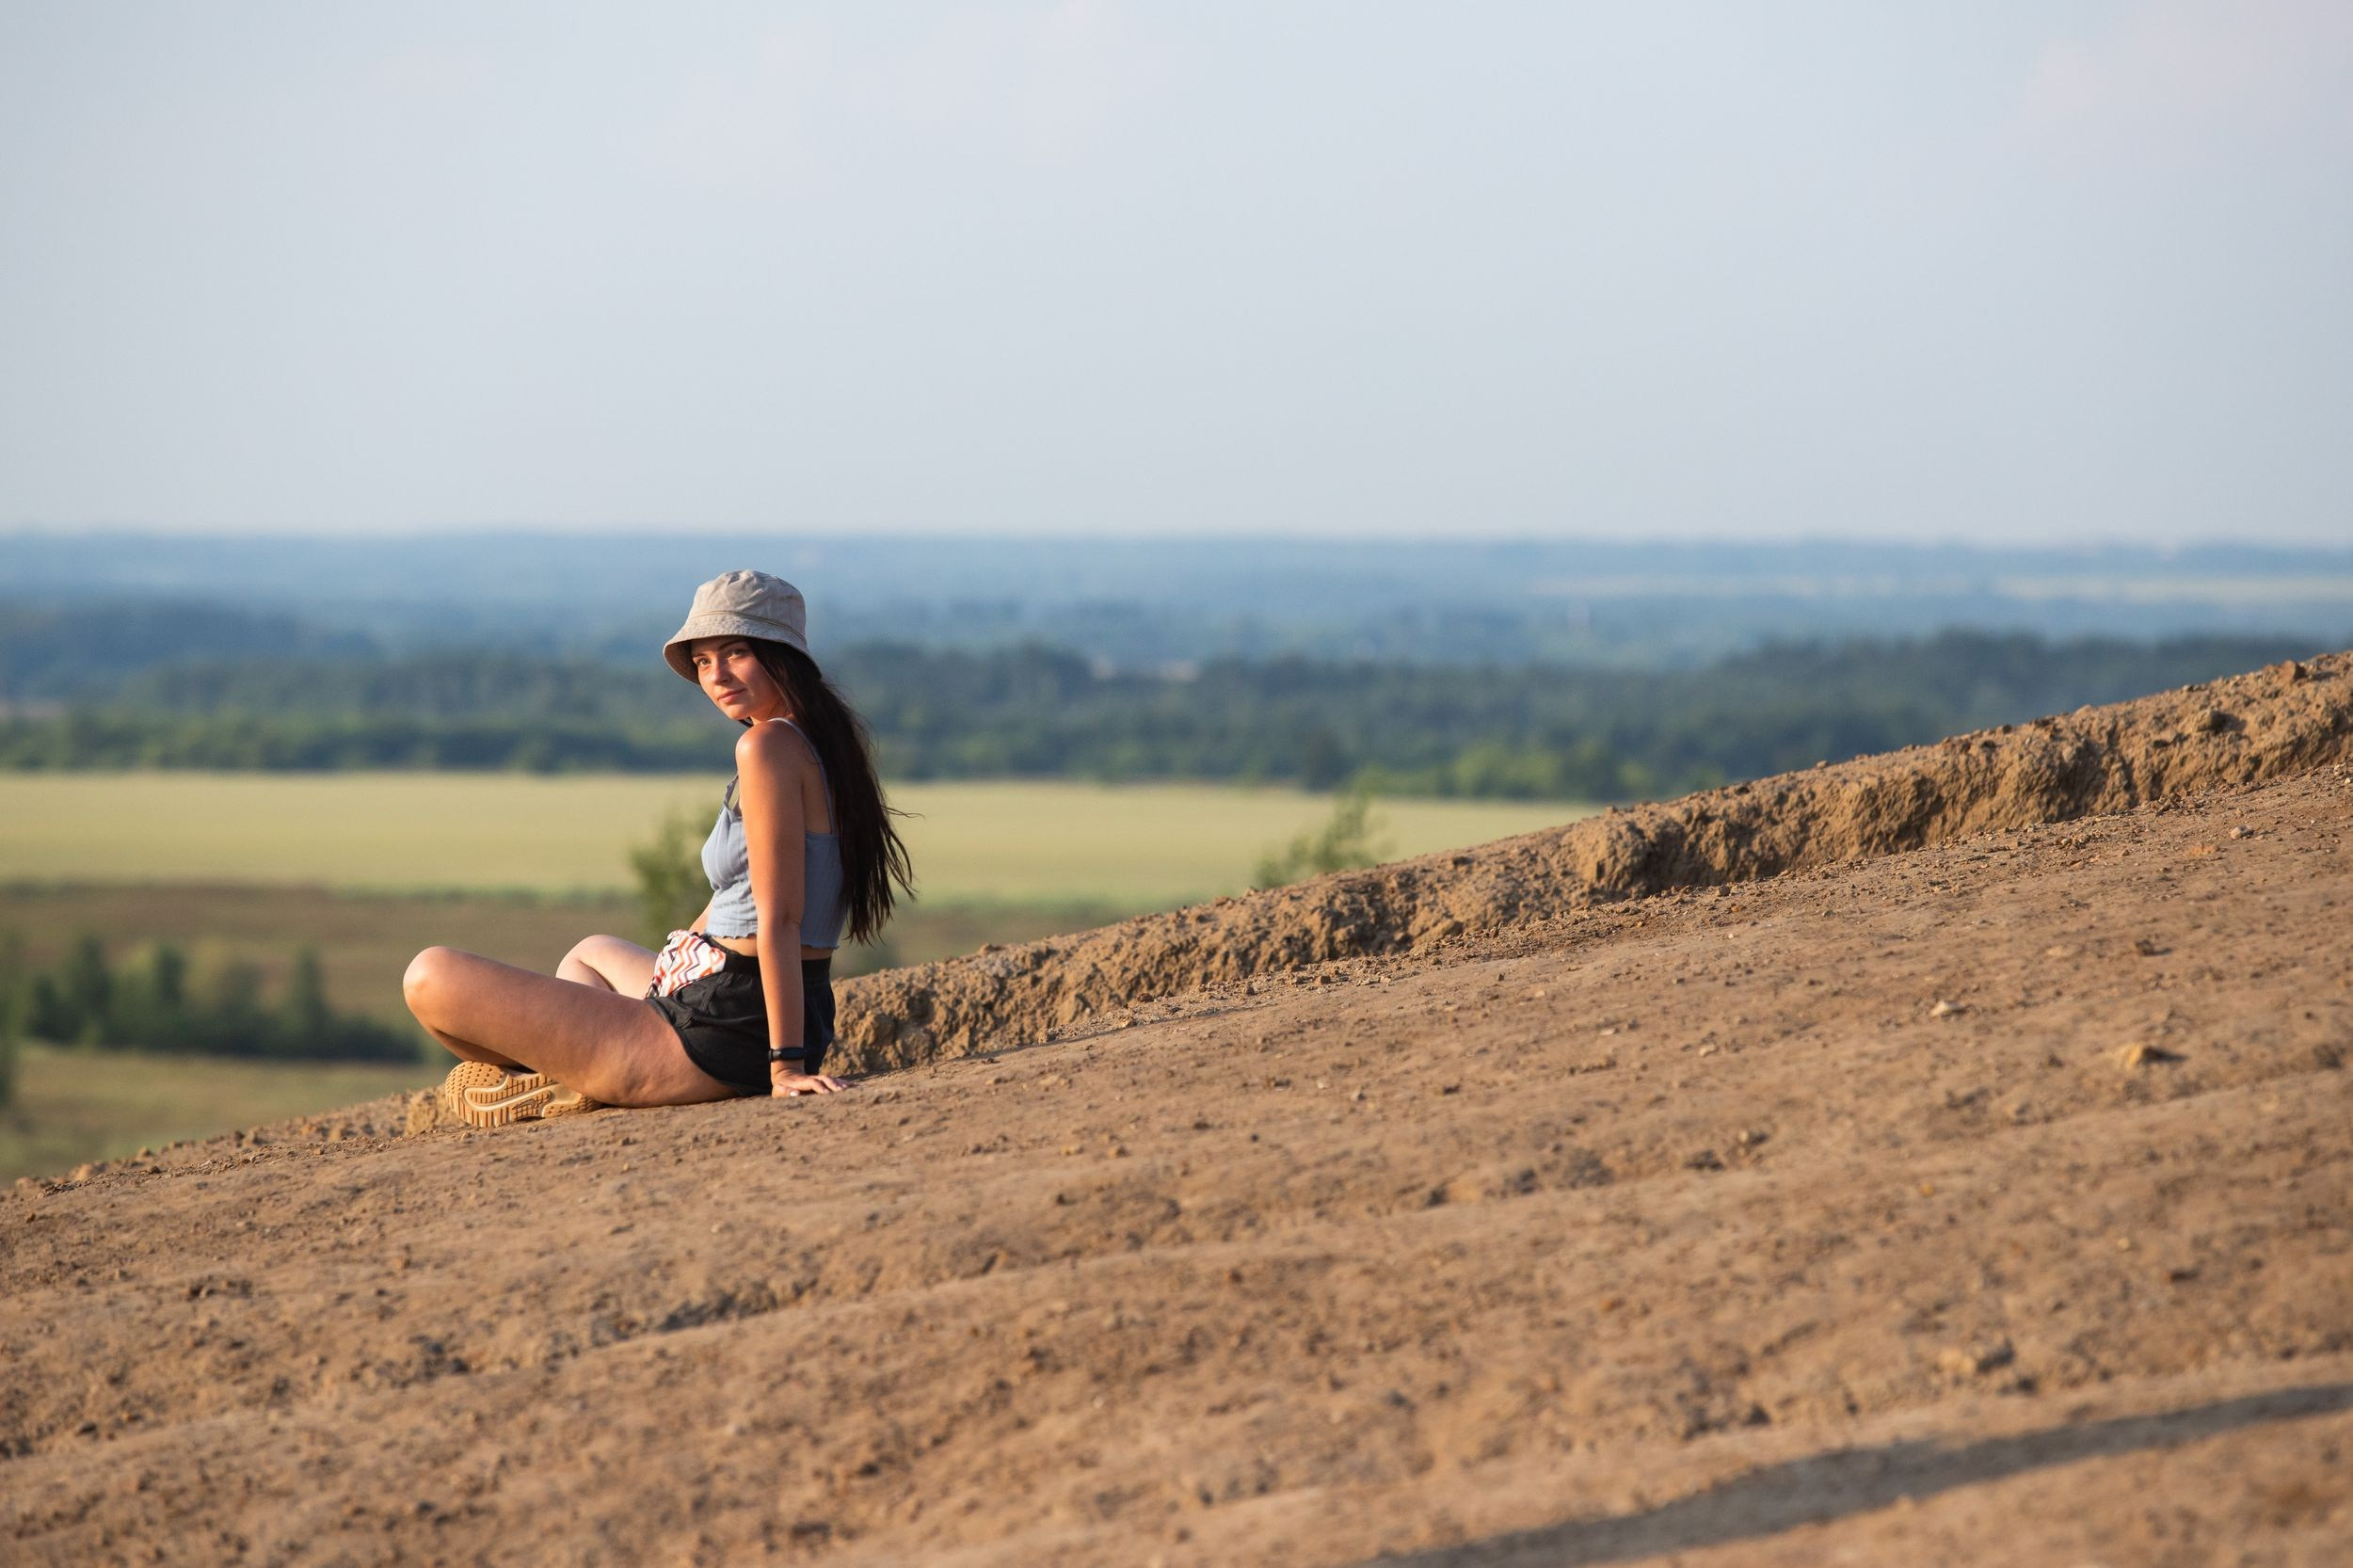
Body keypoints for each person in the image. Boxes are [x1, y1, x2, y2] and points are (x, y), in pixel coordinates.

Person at [402, 569, 914, 1128]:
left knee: (428, 975)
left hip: (726, 1025)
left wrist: (784, 1067)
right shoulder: (821, 741)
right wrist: (682, 965)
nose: (716, 676)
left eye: (735, 652)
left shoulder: (765, 745)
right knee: (591, 951)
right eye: (702, 661)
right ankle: (571, 1072)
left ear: (781, 654)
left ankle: (571, 1079)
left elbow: (781, 917)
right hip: (748, 1002)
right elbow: (740, 896)